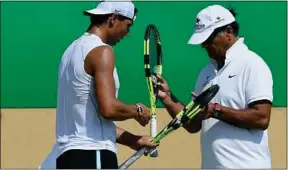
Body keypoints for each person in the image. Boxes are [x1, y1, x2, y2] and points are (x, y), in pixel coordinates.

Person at [39, 1, 159, 169]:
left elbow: (90, 122)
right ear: (114, 19)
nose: (127, 33)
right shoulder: (102, 51)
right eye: (128, 26)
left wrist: (134, 140)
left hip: (66, 157)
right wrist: (138, 110)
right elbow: (108, 109)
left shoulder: (70, 51)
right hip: (92, 154)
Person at [156, 4, 273, 169]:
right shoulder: (206, 72)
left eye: (208, 39)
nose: (204, 46)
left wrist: (215, 111)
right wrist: (167, 98)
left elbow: (262, 118)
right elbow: (193, 125)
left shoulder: (252, 64)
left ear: (229, 33)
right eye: (202, 41)